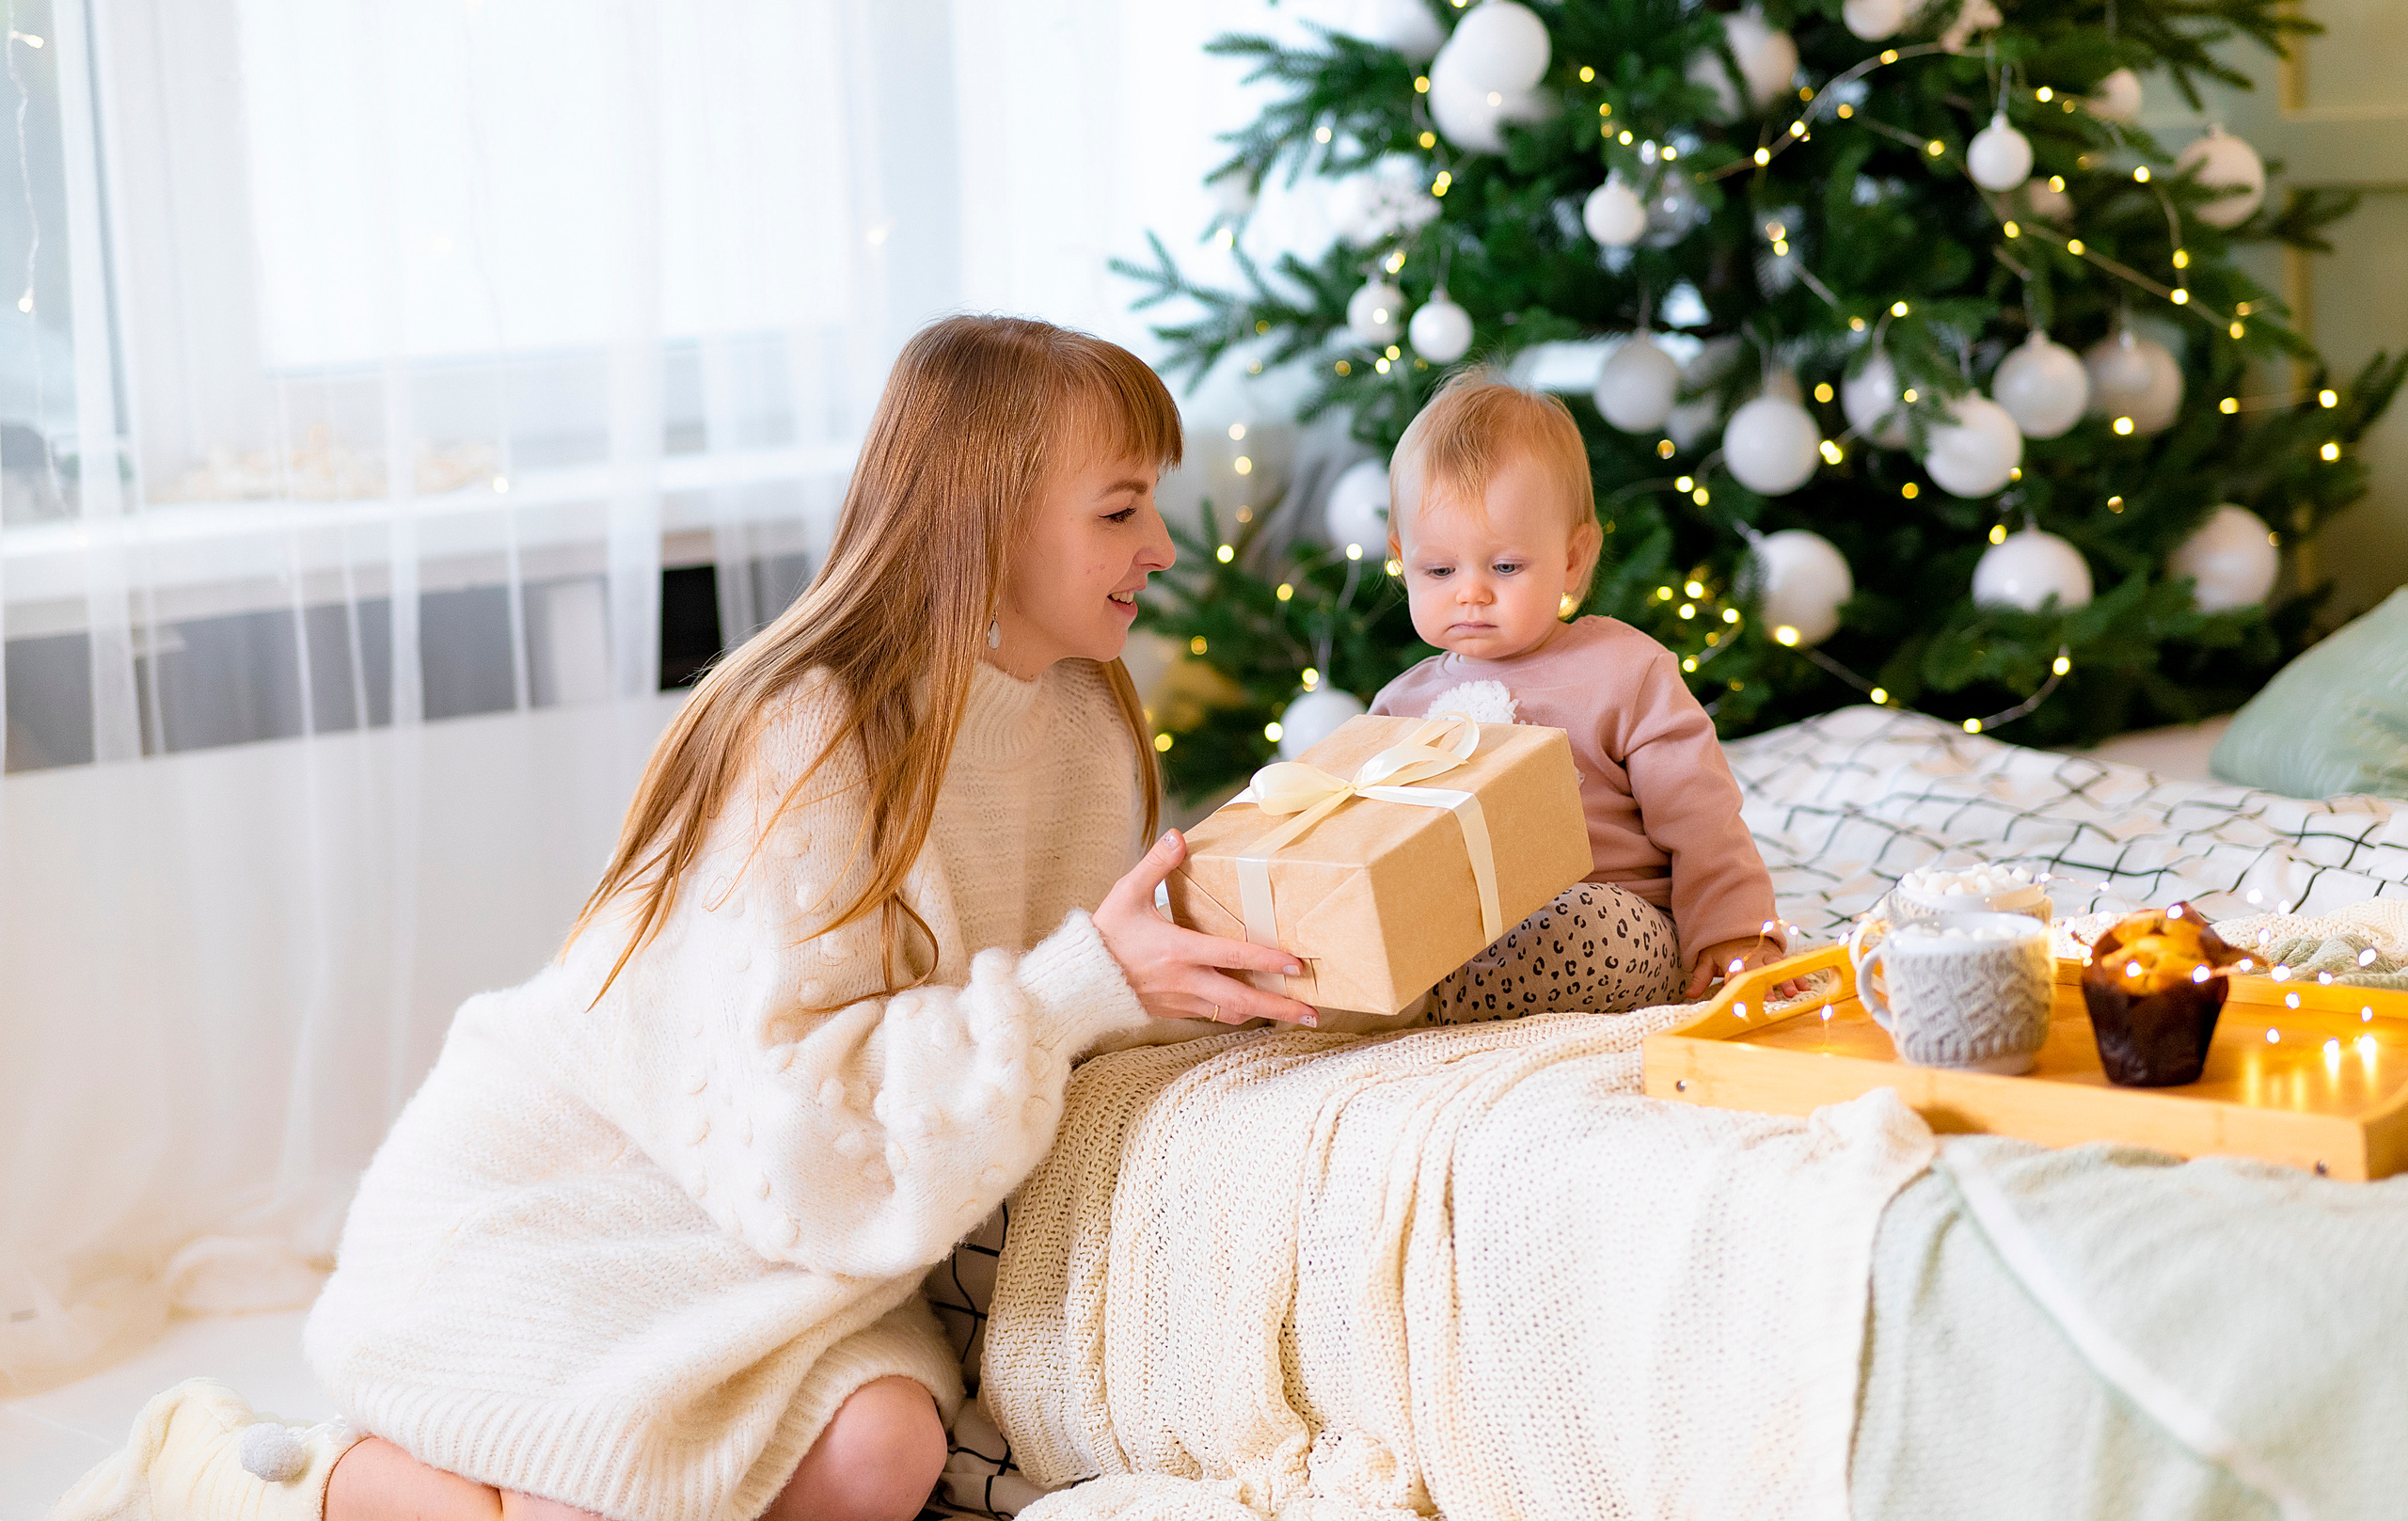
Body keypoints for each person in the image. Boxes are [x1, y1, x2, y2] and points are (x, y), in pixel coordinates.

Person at [55, 315, 1314, 1521]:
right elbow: (800, 1113)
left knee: (886, 1458)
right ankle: (245, 1473)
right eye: (1118, 509)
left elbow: (1044, 1027)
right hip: (595, 1191)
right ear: (989, 520)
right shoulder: (812, 732)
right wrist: (1086, 981)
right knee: (587, 1493)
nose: (1162, 543)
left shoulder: (1086, 721)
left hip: (789, 1245)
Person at [1370, 372, 1786, 1023]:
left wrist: (1736, 930)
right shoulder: (1399, 707)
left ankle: (1425, 1004)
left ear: (1572, 558)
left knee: (1587, 925)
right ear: (1403, 559)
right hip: (1459, 937)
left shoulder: (1623, 670)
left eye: (1504, 567)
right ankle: (1399, 992)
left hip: (1613, 918)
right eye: (1439, 570)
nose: (1470, 592)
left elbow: (1701, 815)